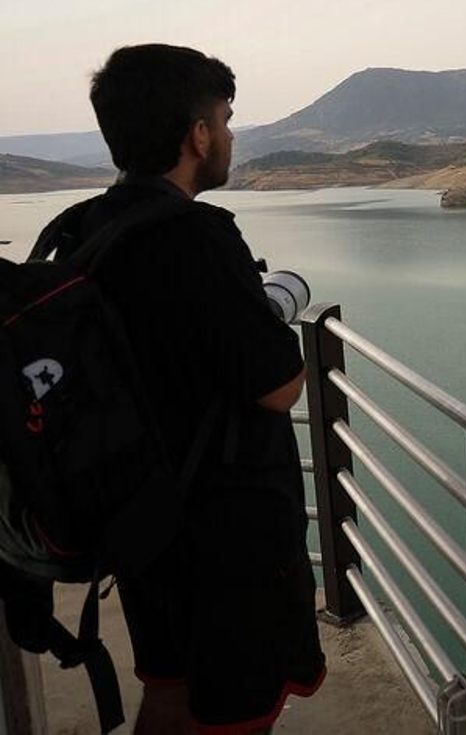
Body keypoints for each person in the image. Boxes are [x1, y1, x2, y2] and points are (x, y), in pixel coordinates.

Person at [67, 44, 324, 733]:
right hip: (224, 543)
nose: (232, 136)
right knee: (236, 714)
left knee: (170, 692)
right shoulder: (198, 239)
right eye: (227, 120)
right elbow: (281, 386)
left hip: (144, 519)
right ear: (197, 134)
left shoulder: (87, 229)